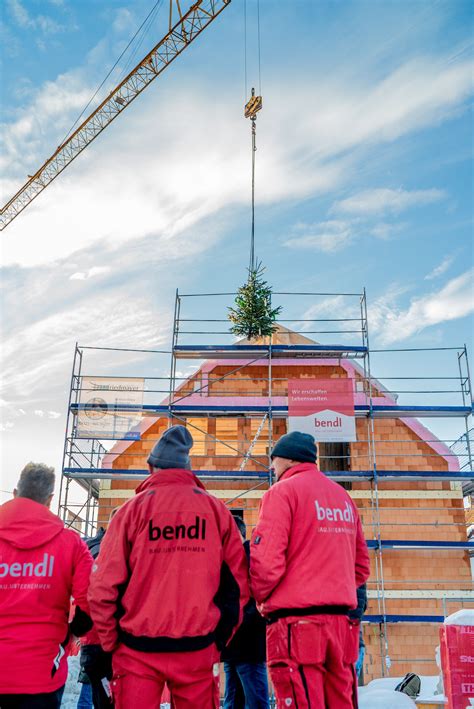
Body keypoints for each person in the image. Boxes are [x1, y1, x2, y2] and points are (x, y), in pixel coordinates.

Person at [88, 425, 249, 708]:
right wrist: (218, 640)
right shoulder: (216, 512)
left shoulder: (130, 512)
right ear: (187, 468)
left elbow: (102, 587)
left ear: (152, 467)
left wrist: (112, 641)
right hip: (197, 649)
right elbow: (238, 586)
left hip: (136, 650)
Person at [250, 431, 370, 709]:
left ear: (289, 459)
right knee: (340, 699)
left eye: (274, 460)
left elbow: (266, 562)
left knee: (302, 699)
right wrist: (333, 588)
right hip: (341, 625)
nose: (271, 467)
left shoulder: (281, 493)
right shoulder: (342, 497)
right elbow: (361, 566)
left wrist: (262, 598)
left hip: (297, 625)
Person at [0, 462, 93, 709]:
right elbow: (91, 604)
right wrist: (72, 633)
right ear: (50, 500)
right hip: (41, 672)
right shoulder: (71, 544)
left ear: (15, 493)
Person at [222, 516, 269, 709]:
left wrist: (240, 620)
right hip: (231, 646)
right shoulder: (228, 561)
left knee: (256, 703)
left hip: (249, 646)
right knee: (232, 703)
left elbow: (259, 596)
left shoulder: (251, 558)